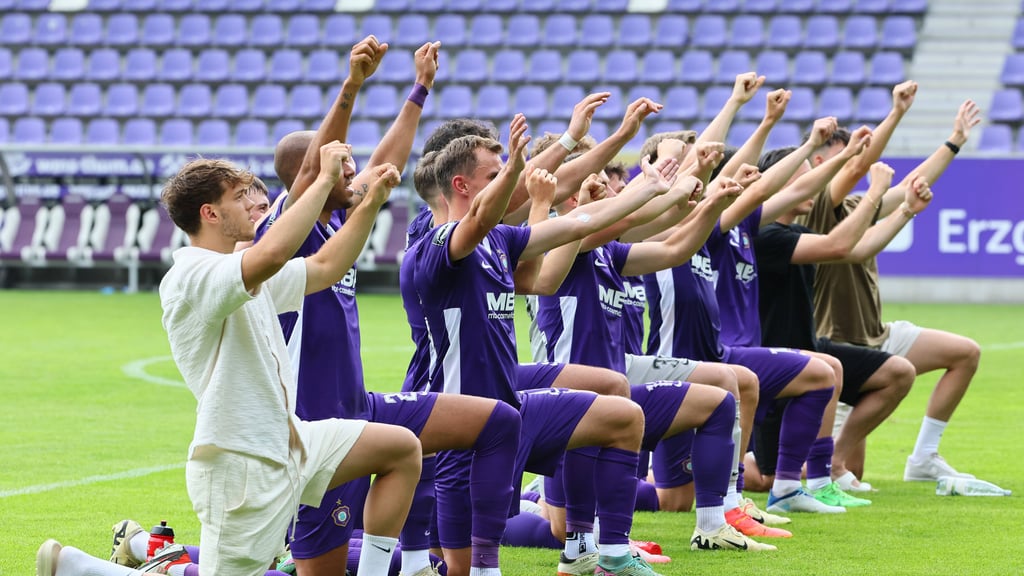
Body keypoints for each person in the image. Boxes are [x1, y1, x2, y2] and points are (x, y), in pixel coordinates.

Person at [406, 117, 672, 576]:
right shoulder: (438, 245)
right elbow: (482, 216)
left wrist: (646, 190)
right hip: (457, 415)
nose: (512, 186)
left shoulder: (499, 241)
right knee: (453, 564)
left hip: (505, 403)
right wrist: (522, 175)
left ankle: (602, 553)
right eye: (496, 175)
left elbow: (573, 227)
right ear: (461, 185)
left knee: (622, 415)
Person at [155, 144, 421, 576]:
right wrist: (321, 179)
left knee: (401, 449)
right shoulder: (193, 274)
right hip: (240, 466)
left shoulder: (240, 270)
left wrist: (370, 203)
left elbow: (326, 266)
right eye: (238, 197)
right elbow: (275, 253)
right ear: (210, 214)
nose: (251, 203)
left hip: (291, 443)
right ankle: (95, 568)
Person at [801, 92, 983, 483]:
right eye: (843, 153)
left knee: (965, 353)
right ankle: (765, 468)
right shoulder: (818, 206)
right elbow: (861, 167)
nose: (852, 159)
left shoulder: (856, 206)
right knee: (846, 472)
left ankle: (924, 458)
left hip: (879, 337)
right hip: (841, 349)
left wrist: (954, 141)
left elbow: (912, 186)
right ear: (820, 162)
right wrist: (897, 112)